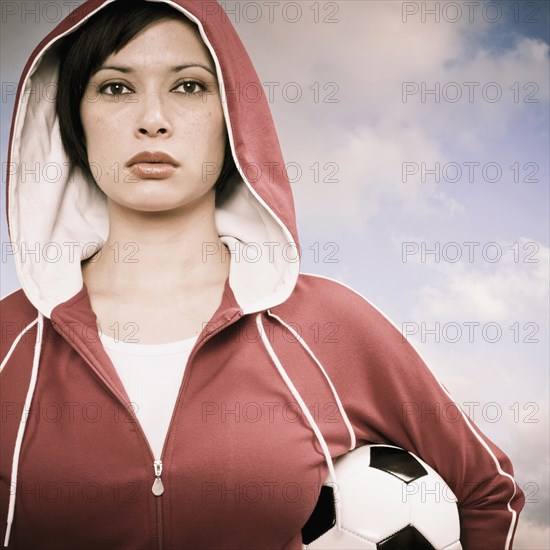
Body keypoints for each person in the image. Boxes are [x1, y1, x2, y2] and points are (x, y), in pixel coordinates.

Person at [0, 1, 525, 548]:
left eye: (189, 87)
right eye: (115, 88)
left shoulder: (331, 326)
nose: (151, 119)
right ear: (71, 118)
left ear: (235, 117)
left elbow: (490, 492)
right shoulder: (8, 341)